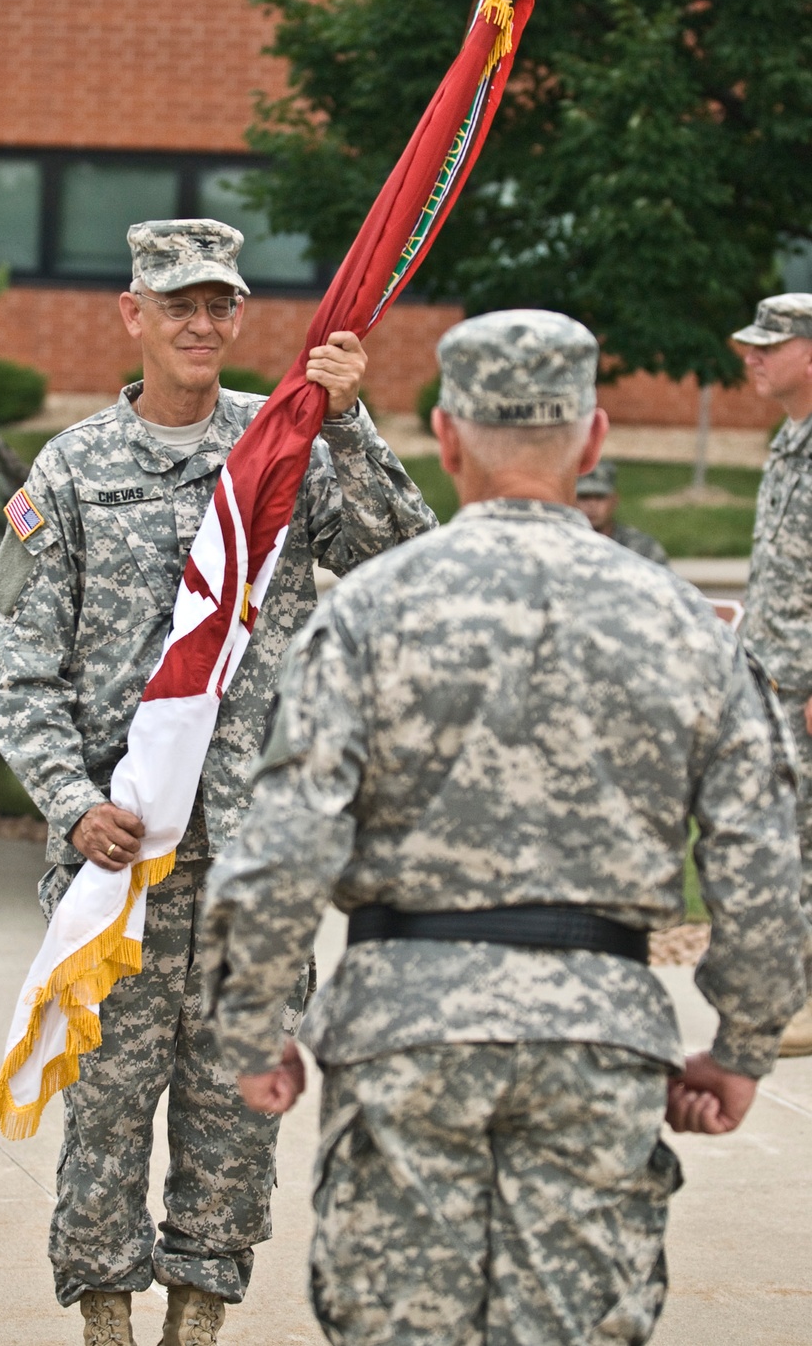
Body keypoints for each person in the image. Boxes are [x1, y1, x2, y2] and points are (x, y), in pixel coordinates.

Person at [201, 308, 811, 1346]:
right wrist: (742, 1041)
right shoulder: (678, 622)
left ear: (444, 435)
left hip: (405, 1033)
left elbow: (282, 840)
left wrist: (254, 1024)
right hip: (598, 1033)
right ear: (594, 437)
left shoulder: (368, 612)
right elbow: (762, 855)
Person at [0, 217, 436, 1346]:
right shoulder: (75, 470)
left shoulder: (280, 445)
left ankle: (198, 1313)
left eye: (220, 304)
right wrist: (71, 799)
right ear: (132, 314)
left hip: (254, 854)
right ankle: (104, 1316)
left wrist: (349, 425)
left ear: (240, 317)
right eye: (178, 303)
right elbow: (22, 675)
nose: (201, 323)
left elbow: (403, 561)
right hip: (121, 858)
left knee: (236, 1106)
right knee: (106, 1108)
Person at [733, 291, 812, 1057]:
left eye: (769, 344)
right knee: (786, 835)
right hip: (774, 674)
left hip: (806, 681)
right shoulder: (793, 438)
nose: (751, 355)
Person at [575, 459, 669, 564]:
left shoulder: (642, 549)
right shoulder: (561, 545)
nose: (592, 505)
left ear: (614, 500)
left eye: (600, 497)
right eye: (584, 497)